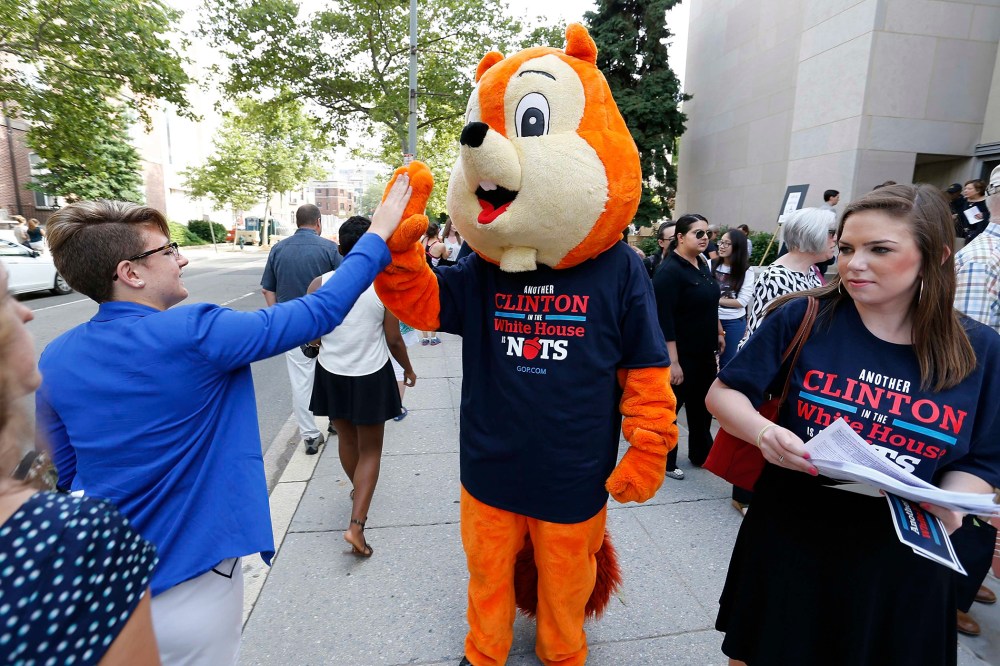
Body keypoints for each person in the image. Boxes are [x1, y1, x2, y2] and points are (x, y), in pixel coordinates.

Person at [36, 180, 412, 663]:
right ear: (129, 272)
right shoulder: (195, 331)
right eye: (168, 250)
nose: (182, 258)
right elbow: (320, 311)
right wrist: (378, 235)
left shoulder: (56, 357)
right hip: (193, 578)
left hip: (109, 586)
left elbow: (64, 476)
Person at [707, 183, 1000, 665]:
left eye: (879, 249)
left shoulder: (979, 350)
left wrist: (952, 502)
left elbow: (984, 457)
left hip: (901, 563)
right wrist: (763, 433)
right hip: (792, 538)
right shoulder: (806, 316)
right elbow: (725, 392)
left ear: (936, 256)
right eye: (845, 248)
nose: (853, 263)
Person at [0, 262, 161, 665]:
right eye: (5, 296)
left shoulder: (58, 353)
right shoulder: (71, 539)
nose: (25, 311)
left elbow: (63, 459)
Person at [306, 216, 417, 557]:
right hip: (370, 374)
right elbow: (393, 338)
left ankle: (359, 491)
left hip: (331, 373)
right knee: (371, 451)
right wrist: (408, 370)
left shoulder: (319, 283)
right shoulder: (382, 285)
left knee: (347, 440)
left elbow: (311, 334)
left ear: (339, 248)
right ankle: (356, 527)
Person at [951, 164, 1000, 636]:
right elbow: (969, 352)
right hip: (989, 404)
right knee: (975, 500)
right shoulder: (984, 258)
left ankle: (970, 577)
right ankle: (953, 592)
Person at [260, 204, 343, 454]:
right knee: (332, 375)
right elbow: (345, 283)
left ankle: (309, 435)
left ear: (298, 222)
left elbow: (267, 289)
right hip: (327, 325)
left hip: (292, 326)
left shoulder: (278, 249)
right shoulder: (330, 249)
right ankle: (335, 421)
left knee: (301, 382)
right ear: (318, 222)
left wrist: (277, 319)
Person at [654, 214, 723, 479]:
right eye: (698, 233)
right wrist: (673, 361)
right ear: (681, 238)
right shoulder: (669, 272)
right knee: (671, 408)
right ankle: (665, 461)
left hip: (704, 350)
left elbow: (709, 300)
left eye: (707, 233)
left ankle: (701, 453)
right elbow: (664, 319)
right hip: (681, 354)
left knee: (702, 406)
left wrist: (718, 330)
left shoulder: (701, 263)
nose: (705, 238)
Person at [741, 207, 836, 346]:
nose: (836, 239)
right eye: (831, 233)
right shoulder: (776, 278)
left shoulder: (810, 271)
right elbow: (760, 340)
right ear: (810, 234)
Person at [712, 228, 753, 369]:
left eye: (726, 243)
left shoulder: (746, 270)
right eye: (721, 242)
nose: (721, 246)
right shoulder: (711, 265)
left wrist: (712, 299)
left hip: (733, 322)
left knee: (726, 362)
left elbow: (741, 302)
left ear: (737, 247)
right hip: (710, 318)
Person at [420, 221, 447, 345]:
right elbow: (446, 257)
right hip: (433, 278)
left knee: (423, 308)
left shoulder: (422, 241)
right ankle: (433, 337)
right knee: (434, 307)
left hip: (421, 277)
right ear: (437, 231)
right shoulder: (440, 246)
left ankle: (424, 338)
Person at [961, 179, 990, 243]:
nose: (965, 191)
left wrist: (984, 215)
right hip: (968, 234)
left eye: (969, 189)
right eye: (965, 189)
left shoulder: (987, 201)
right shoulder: (965, 201)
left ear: (978, 190)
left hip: (982, 236)